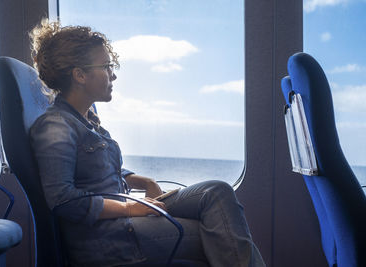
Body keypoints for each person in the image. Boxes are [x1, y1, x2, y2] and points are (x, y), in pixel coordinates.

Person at [29, 20, 265, 267]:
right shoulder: (56, 126)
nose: (114, 74)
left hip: (123, 220)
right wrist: (130, 208)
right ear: (79, 75)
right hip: (109, 240)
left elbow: (97, 168)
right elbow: (63, 200)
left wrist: (144, 182)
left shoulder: (88, 120)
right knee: (224, 232)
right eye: (107, 66)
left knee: (216, 192)